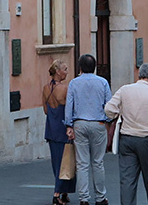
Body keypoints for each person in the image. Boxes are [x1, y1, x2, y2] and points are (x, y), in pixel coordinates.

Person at [105, 62, 148, 205]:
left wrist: (119, 113)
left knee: (127, 180)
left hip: (127, 139)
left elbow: (109, 109)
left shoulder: (125, 90)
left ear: (139, 75)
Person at [65, 54, 112, 205]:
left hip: (79, 123)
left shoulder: (74, 83)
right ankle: (100, 197)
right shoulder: (103, 82)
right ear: (95, 66)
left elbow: (69, 105)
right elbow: (109, 106)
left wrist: (68, 125)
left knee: (82, 163)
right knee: (98, 162)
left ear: (80, 67)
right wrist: (109, 122)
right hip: (98, 124)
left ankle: (84, 198)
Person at [44, 59, 76, 205]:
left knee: (56, 162)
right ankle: (57, 193)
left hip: (51, 128)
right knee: (66, 162)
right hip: (63, 129)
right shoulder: (65, 88)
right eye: (65, 69)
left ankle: (63, 192)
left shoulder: (45, 88)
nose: (67, 72)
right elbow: (70, 109)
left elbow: (45, 110)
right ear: (58, 71)